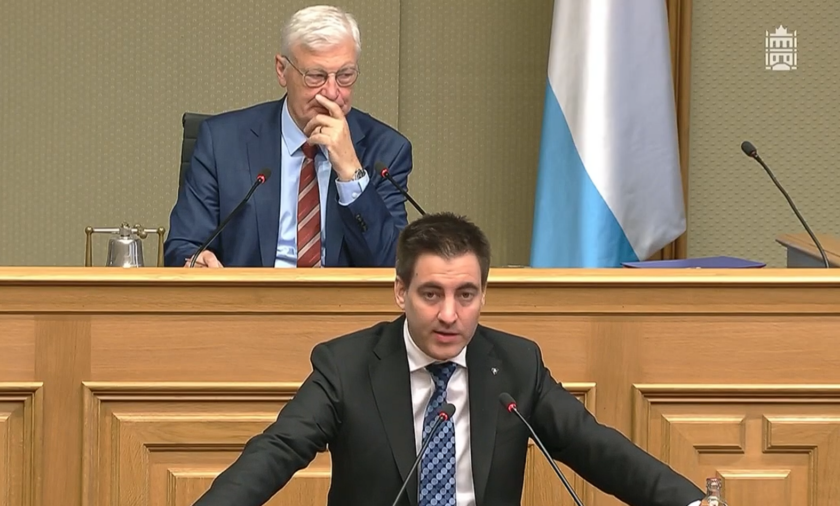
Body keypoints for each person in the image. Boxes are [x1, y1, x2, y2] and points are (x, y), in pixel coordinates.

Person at [191, 212, 705, 506]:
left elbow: (596, 448)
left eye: (466, 295)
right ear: (401, 292)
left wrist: (692, 503)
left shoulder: (516, 365)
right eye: (431, 294)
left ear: (483, 295)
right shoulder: (346, 365)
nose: (449, 315)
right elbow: (278, 450)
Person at [164, 5, 412, 268]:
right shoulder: (222, 142)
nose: (331, 92)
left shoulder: (386, 151)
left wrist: (352, 174)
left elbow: (395, 267)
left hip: (340, 296)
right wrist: (196, 261)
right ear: (282, 70)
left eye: (345, 76)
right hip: (248, 294)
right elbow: (183, 246)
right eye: (315, 76)